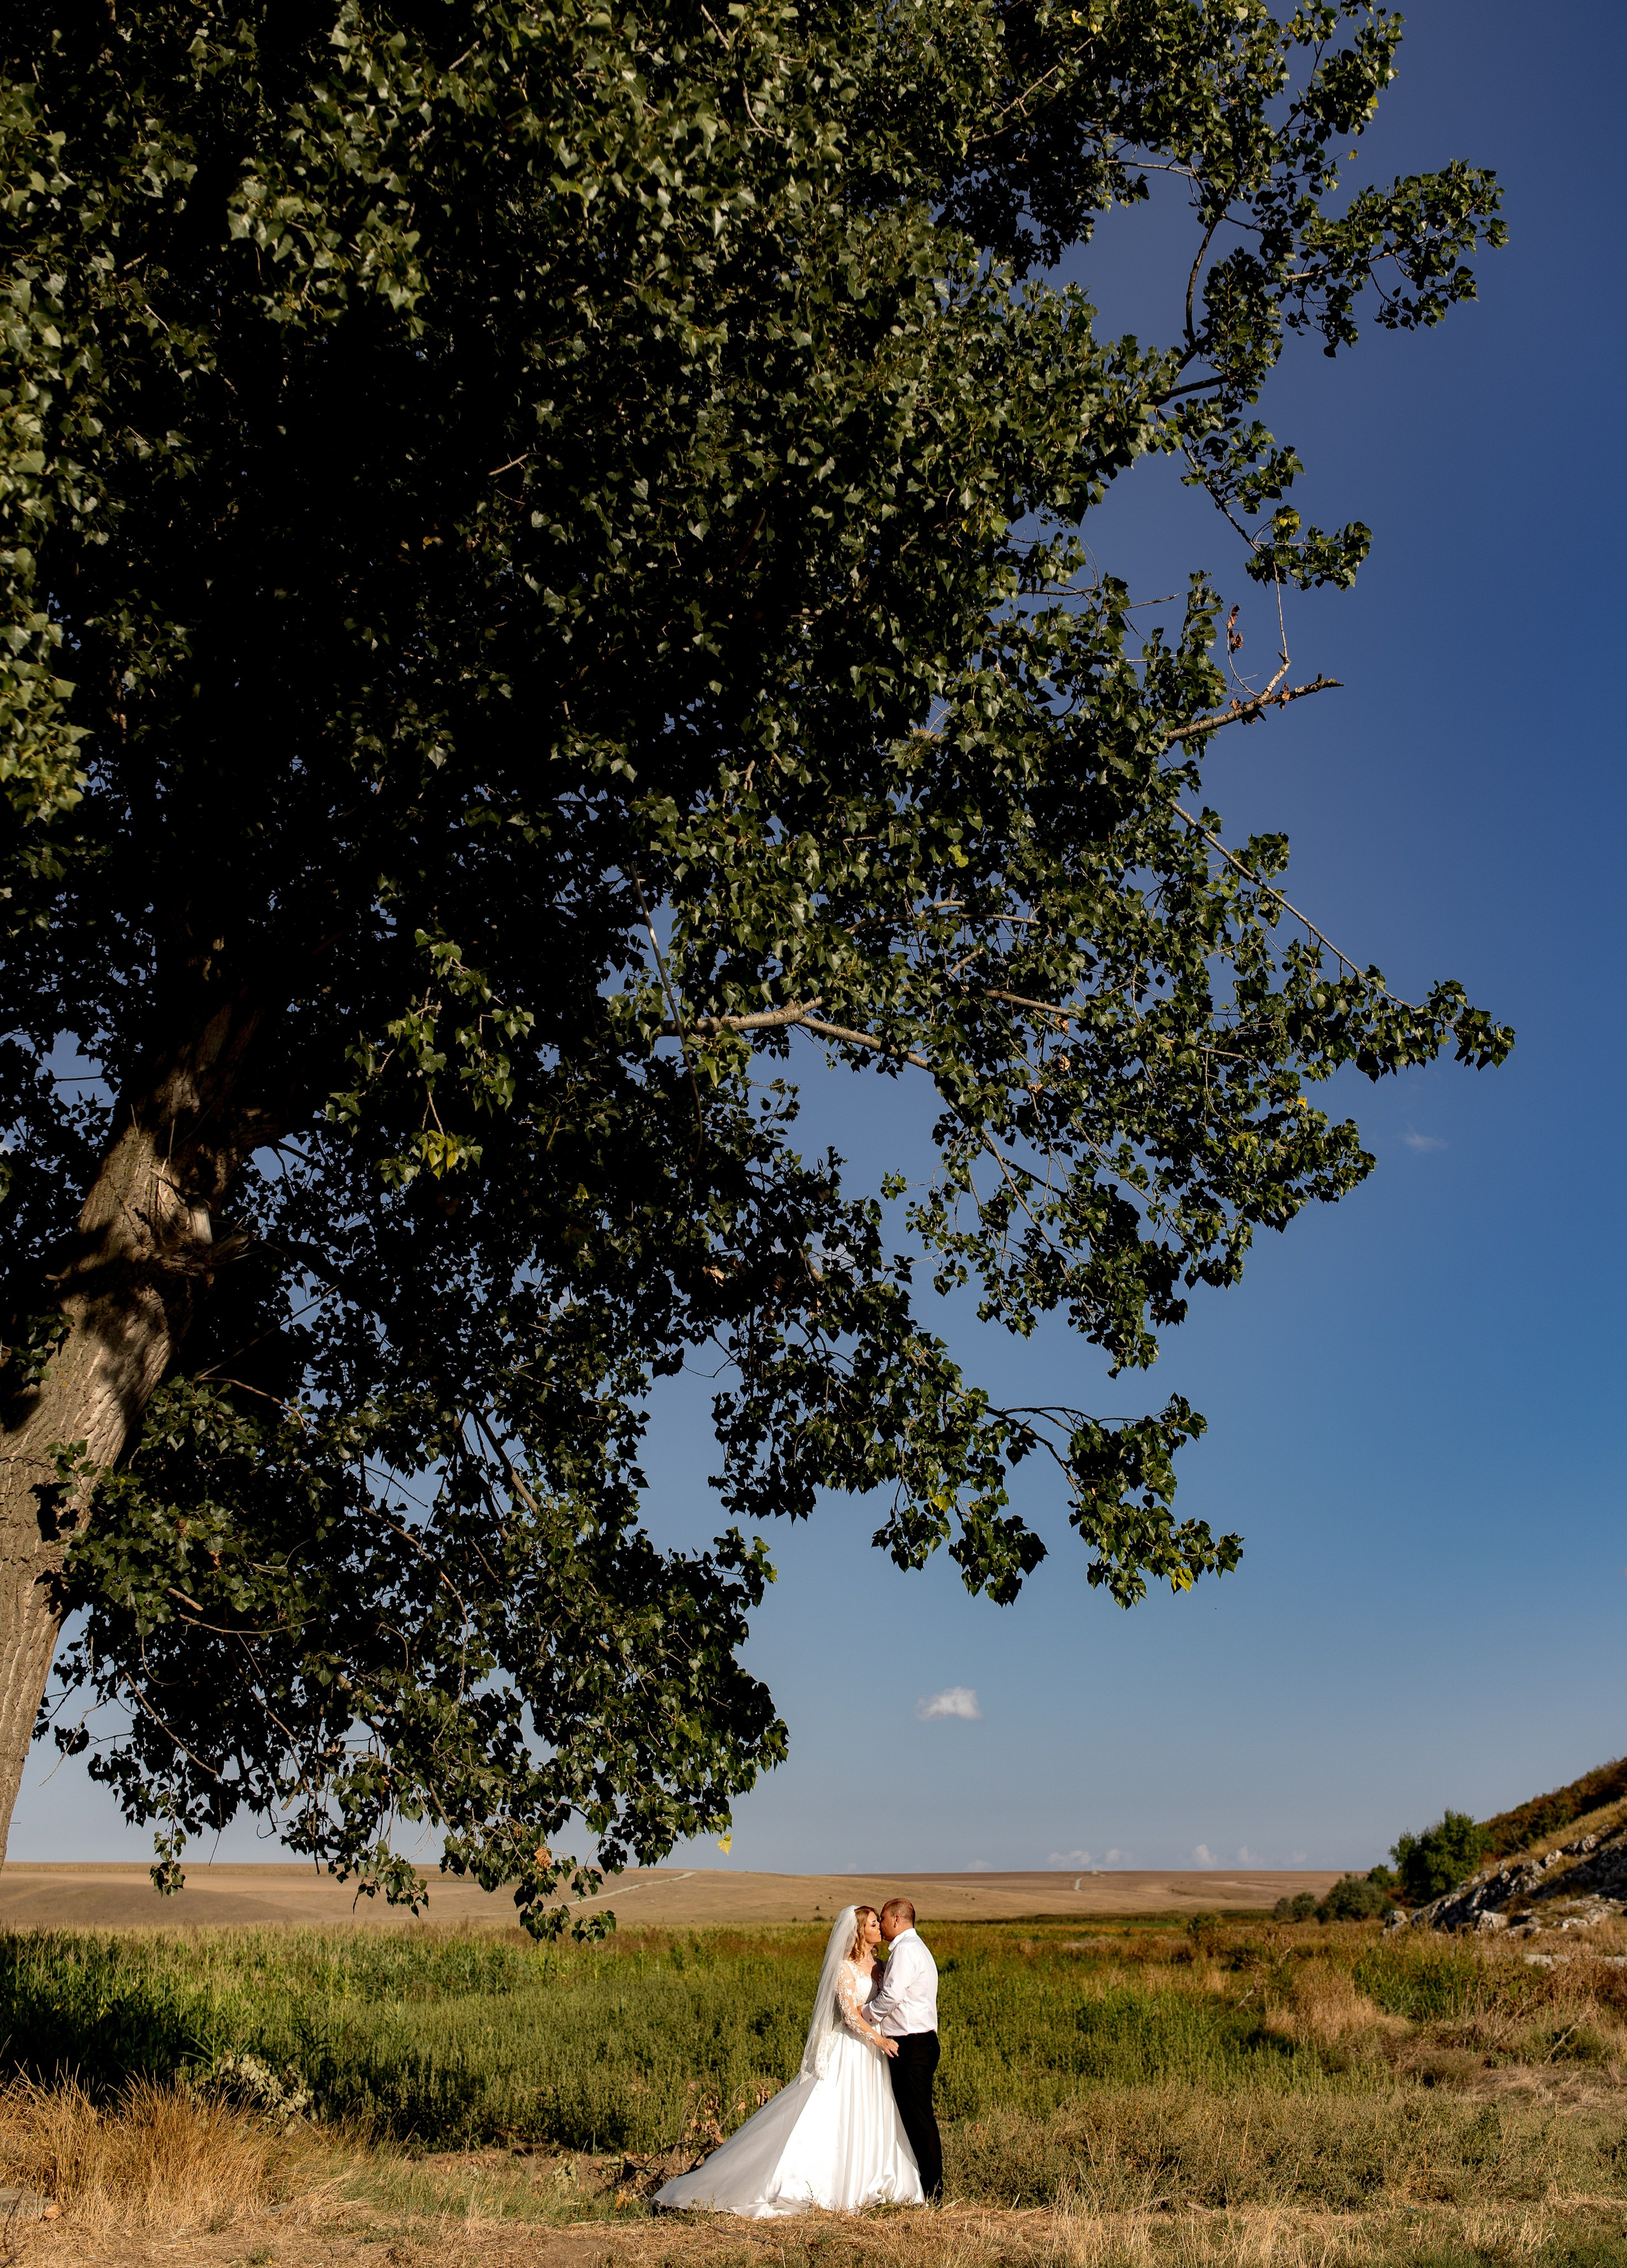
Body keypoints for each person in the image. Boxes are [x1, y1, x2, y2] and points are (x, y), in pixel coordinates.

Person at [653, 1903, 924, 2217]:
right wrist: (879, 2039)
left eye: (880, 1923)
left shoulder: (880, 1965)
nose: (880, 1928)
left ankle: (876, 2179)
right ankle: (824, 2183)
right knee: (838, 2110)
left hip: (874, 2055)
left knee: (873, 2110)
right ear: (859, 1931)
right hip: (852, 2048)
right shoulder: (843, 1968)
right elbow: (849, 2014)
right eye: (874, 1924)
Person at [866, 1897, 943, 2202]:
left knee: (919, 2120)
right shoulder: (913, 1948)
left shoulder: (907, 1951)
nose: (882, 1926)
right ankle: (923, 2187)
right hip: (918, 2042)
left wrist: (865, 2015)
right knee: (914, 2117)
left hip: (912, 2045)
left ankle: (933, 2193)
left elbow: (891, 1997)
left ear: (897, 1920)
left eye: (883, 1919)